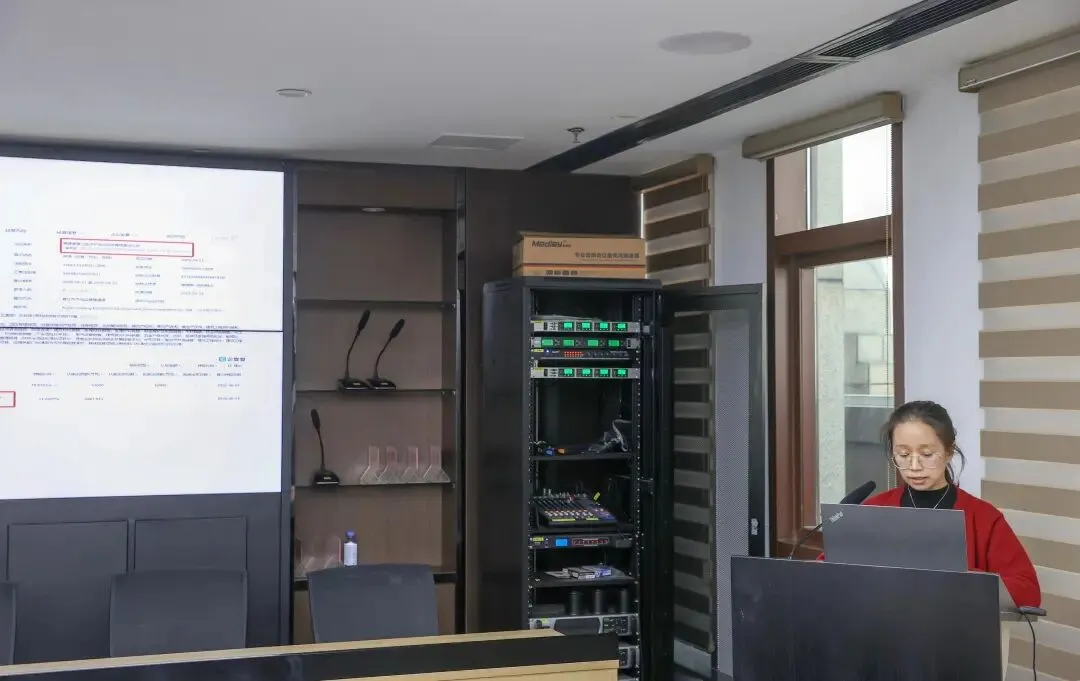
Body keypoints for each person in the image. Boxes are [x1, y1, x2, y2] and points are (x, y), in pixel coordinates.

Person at [857, 400, 1041, 608]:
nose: (914, 466)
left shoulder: (984, 518)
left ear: (949, 452)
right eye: (904, 455)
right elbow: (836, 576)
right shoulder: (873, 510)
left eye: (927, 454)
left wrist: (960, 577)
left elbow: (1028, 592)